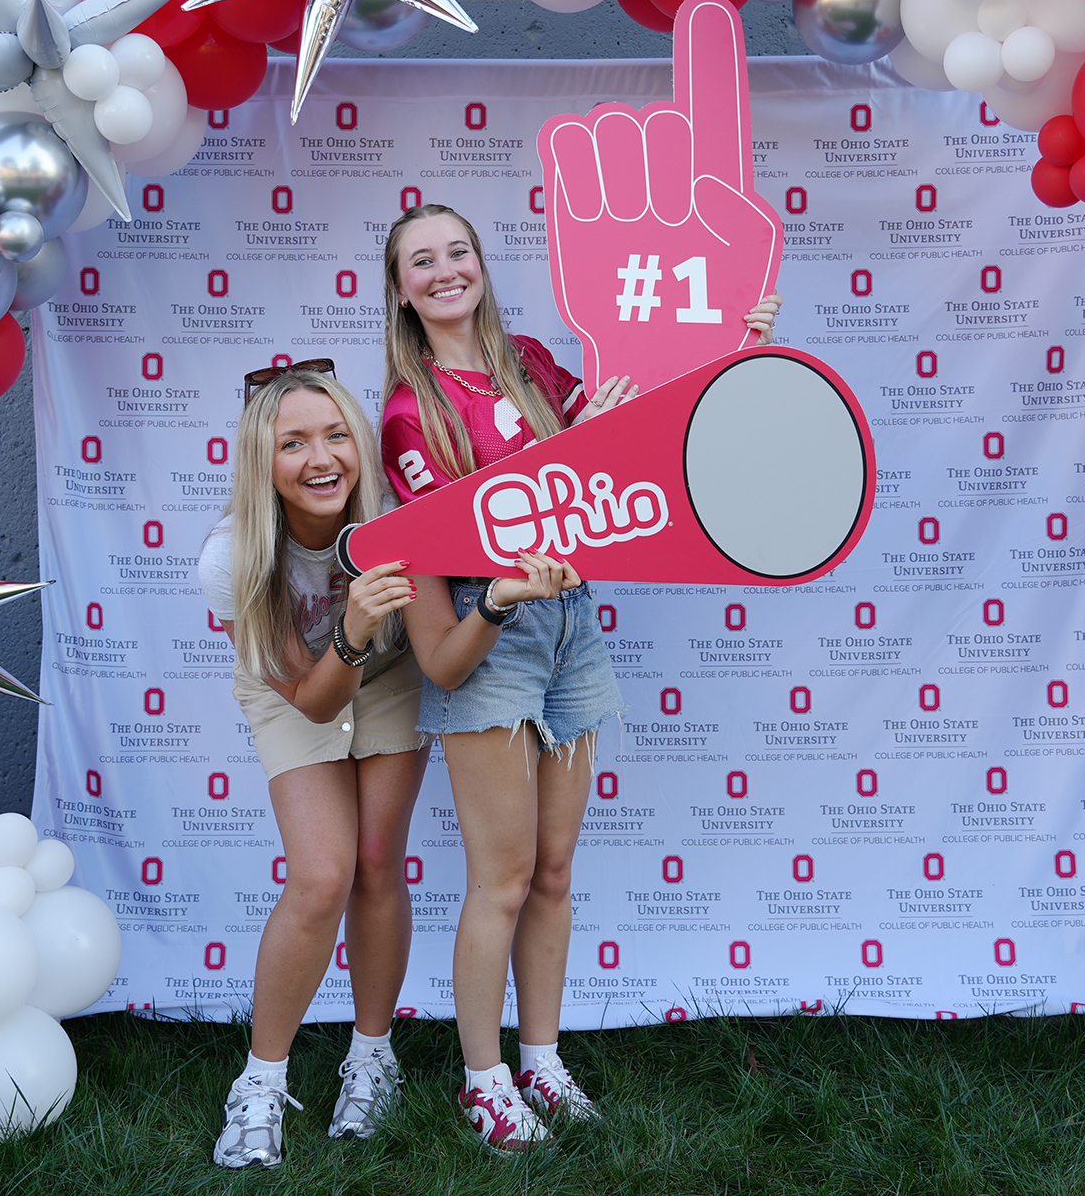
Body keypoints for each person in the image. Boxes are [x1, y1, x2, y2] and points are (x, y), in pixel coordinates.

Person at [377, 202, 779, 1150]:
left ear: (481, 261)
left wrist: (734, 343)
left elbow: (633, 436)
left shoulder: (529, 363)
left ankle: (542, 1058)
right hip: (492, 630)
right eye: (421, 260)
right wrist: (566, 453)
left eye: (458, 250)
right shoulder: (412, 408)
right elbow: (465, 530)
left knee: (554, 871)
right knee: (503, 878)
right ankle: (482, 1078)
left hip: (572, 627)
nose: (445, 270)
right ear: (400, 289)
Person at [198, 361, 425, 1170]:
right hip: (298, 685)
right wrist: (352, 629)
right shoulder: (232, 557)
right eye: (292, 442)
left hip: (392, 672)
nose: (320, 456)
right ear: (263, 462)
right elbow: (313, 700)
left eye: (334, 434)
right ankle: (259, 1083)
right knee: (321, 874)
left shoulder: (397, 516)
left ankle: (371, 1055)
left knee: (374, 862)